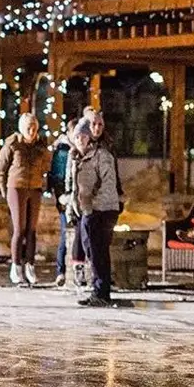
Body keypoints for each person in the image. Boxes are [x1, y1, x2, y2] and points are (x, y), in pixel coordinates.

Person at [69, 119, 122, 307]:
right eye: (77, 137)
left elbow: (108, 183)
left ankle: (101, 292)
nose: (80, 140)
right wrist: (74, 207)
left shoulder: (101, 156)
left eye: (84, 136)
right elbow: (75, 188)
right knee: (92, 251)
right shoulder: (76, 158)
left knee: (98, 251)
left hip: (103, 210)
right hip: (87, 211)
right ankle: (98, 289)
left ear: (89, 138)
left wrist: (93, 206)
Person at [0, 113, 50, 286]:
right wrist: (5, 190)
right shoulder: (13, 145)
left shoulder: (40, 145)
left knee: (32, 229)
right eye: (28, 128)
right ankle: (16, 266)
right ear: (22, 128)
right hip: (16, 188)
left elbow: (46, 165)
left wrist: (42, 182)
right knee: (20, 228)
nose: (32, 131)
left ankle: (30, 266)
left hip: (35, 188)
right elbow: (0, 169)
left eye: (34, 128)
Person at [48, 119, 77, 286]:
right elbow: (57, 176)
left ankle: (75, 269)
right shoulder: (63, 151)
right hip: (65, 197)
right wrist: (61, 197)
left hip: (77, 197)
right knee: (66, 232)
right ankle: (61, 271)